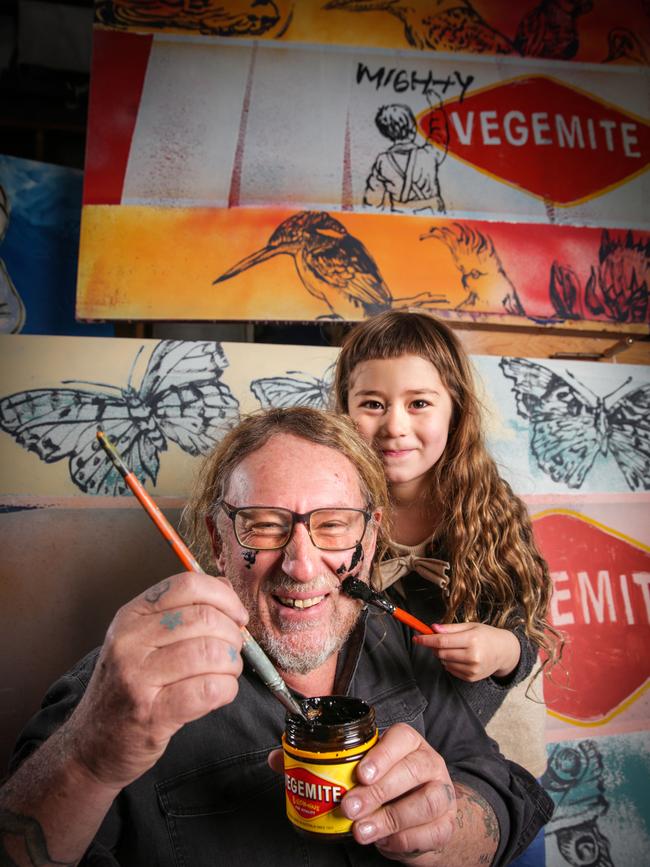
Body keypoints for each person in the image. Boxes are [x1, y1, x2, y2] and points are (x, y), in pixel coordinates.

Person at [0, 407, 552, 866]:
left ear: (372, 534)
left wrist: (444, 831)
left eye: (334, 524)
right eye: (264, 524)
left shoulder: (399, 640)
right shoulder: (123, 689)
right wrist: (87, 760)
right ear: (218, 540)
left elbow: (501, 786)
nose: (302, 564)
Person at [364, 104, 447, 215]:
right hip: (432, 217)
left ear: (386, 133)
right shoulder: (429, 154)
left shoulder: (383, 160)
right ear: (413, 127)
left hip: (400, 217)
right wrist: (437, 108)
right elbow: (439, 137)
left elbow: (373, 199)